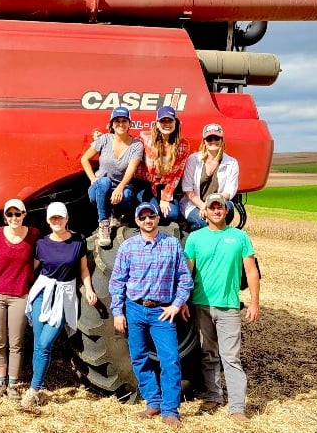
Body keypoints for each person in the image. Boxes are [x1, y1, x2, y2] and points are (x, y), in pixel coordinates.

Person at [108, 203, 194, 428]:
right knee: (139, 357)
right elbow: (117, 282)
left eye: (151, 216)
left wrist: (176, 305)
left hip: (161, 312)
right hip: (134, 308)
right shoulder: (127, 247)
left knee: (170, 359)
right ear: (137, 221)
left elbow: (185, 280)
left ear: (157, 219)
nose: (147, 220)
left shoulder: (172, 245)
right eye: (143, 217)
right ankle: (153, 401)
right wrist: (118, 312)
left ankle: (170, 410)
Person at [184, 193, 261, 424]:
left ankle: (237, 408)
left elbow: (251, 272)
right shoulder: (195, 239)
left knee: (231, 357)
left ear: (227, 211)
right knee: (208, 354)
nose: (217, 210)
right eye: (212, 207)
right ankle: (213, 396)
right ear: (204, 212)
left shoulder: (239, 237)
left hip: (228, 306)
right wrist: (182, 303)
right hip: (201, 305)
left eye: (221, 207)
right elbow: (186, 273)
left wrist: (255, 302)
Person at [20, 201, 97, 410]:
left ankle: (33, 390)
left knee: (45, 343)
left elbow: (83, 271)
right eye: (53, 218)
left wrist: (89, 289)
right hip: (42, 294)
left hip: (64, 294)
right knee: (38, 343)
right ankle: (39, 387)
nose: (56, 221)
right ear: (48, 220)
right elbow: (30, 269)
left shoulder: (78, 241)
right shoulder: (41, 243)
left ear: (66, 219)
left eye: (60, 217)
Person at [0, 199, 40, 399]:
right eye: (10, 214)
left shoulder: (33, 234)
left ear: (24, 214)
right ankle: (0, 382)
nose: (14, 218)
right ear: (4, 217)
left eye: (18, 214)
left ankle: (13, 384)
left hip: (20, 295)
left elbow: (39, 257)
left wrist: (26, 275)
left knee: (16, 342)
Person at [80, 106, 144, 248]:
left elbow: (131, 169)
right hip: (100, 187)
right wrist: (92, 179)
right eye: (117, 121)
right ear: (111, 124)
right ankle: (104, 224)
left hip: (121, 187)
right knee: (104, 182)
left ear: (129, 124)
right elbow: (84, 159)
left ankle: (116, 215)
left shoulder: (136, 145)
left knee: (127, 194)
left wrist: (120, 187)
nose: (120, 124)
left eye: (124, 120)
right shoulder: (104, 139)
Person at [137, 105, 191, 225]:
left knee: (172, 214)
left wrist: (165, 198)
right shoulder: (145, 139)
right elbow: (128, 143)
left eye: (170, 120)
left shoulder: (183, 145)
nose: (166, 124)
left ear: (176, 123)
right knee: (152, 213)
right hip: (146, 184)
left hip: (165, 185)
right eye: (163, 120)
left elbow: (176, 176)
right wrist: (105, 136)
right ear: (157, 123)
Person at [179, 123, 239, 230]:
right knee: (204, 223)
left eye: (216, 138)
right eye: (209, 138)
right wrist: (203, 207)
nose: (213, 141)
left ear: (222, 140)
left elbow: (229, 192)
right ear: (204, 142)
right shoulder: (193, 160)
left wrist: (210, 206)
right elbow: (187, 189)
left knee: (228, 208)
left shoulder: (232, 162)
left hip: (218, 203)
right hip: (195, 204)